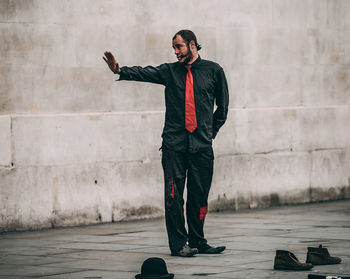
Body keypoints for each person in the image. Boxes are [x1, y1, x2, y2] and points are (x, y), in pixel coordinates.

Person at [103, 29, 229, 257]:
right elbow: (145, 72)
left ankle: (198, 241)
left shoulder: (214, 70)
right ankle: (179, 245)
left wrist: (210, 132)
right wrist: (120, 70)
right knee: (173, 198)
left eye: (179, 47)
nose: (176, 52)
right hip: (174, 147)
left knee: (198, 197)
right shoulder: (170, 71)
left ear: (192, 45)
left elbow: (223, 107)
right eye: (174, 48)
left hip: (201, 147)